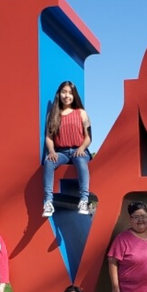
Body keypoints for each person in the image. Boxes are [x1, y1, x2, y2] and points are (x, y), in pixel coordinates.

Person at [42, 81, 93, 215]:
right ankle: (48, 202)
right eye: (64, 92)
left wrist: (81, 148)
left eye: (70, 93)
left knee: (81, 161)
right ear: (59, 94)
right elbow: (49, 137)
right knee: (48, 162)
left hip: (79, 150)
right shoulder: (52, 115)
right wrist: (51, 151)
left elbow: (88, 137)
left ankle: (84, 200)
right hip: (61, 152)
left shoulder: (81, 113)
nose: (67, 95)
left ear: (74, 95)